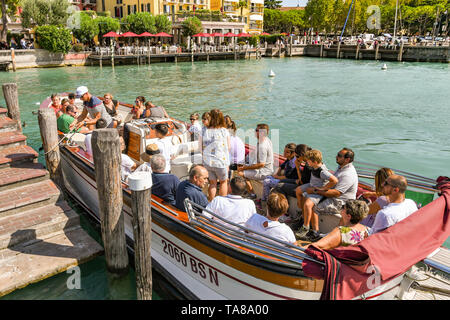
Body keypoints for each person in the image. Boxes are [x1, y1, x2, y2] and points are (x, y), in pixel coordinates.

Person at [295, 149, 338, 242]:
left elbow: (334, 180)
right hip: (311, 185)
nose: (307, 163)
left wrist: (322, 189)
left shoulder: (322, 171)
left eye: (308, 161)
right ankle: (302, 214)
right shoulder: (314, 166)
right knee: (298, 190)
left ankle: (305, 227)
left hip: (317, 190)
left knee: (307, 204)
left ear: (314, 162)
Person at [300, 200, 369, 250]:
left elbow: (318, 246)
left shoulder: (342, 232)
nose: (341, 210)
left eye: (343, 208)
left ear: (348, 216)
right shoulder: (367, 230)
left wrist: (295, 250)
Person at [310, 148, 359, 217]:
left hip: (340, 203)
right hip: (333, 197)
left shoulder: (348, 174)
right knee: (308, 199)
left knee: (312, 206)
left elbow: (336, 193)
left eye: (339, 155)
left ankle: (313, 227)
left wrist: (315, 191)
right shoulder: (341, 167)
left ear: (347, 160)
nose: (336, 157)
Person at [199, 109, 230, 201]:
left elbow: (200, 147)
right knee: (223, 182)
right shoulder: (224, 131)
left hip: (207, 162)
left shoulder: (204, 130)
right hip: (220, 162)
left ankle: (212, 202)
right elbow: (228, 147)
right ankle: (222, 203)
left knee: (212, 183)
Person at [237, 123, 274, 199]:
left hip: (264, 172)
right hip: (267, 168)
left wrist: (244, 168)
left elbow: (261, 164)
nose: (254, 131)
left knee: (240, 173)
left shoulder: (262, 146)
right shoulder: (267, 140)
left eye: (256, 130)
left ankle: (252, 194)